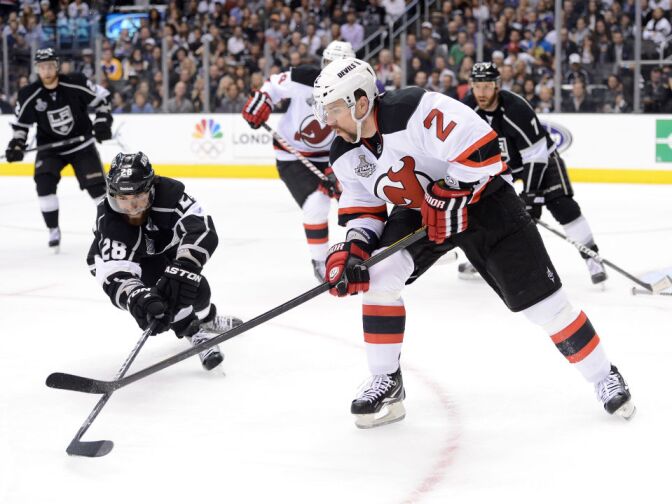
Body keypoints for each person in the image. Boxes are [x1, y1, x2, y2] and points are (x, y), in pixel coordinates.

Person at [312, 58, 635, 429]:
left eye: (334, 109)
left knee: (545, 307)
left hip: (482, 202)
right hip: (422, 212)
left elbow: (484, 150)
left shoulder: (414, 109)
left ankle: (603, 375)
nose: (327, 120)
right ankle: (387, 379)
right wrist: (355, 249)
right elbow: (364, 209)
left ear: (360, 101)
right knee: (379, 276)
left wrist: (451, 192)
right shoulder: (344, 152)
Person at [86, 152, 242, 371]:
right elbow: (115, 271)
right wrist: (137, 298)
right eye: (123, 199)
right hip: (131, 261)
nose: (132, 207)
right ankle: (194, 331)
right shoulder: (110, 221)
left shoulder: (170, 196)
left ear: (152, 188)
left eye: (138, 197)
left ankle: (207, 318)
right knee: (164, 299)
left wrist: (185, 267)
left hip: (164, 248)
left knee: (198, 289)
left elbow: (201, 229)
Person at [459, 63, 607, 285]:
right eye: (477, 87)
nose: (481, 93)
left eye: (487, 86)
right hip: (502, 168)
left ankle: (592, 259)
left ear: (497, 86)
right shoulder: (467, 109)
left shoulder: (516, 108)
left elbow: (535, 155)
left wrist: (531, 194)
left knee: (563, 206)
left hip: (542, 161)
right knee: (488, 211)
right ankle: (489, 260)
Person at [241, 40, 355, 281]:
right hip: (293, 155)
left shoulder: (358, 88)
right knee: (317, 204)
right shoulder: (303, 78)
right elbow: (273, 85)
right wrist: (263, 99)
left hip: (337, 153)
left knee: (355, 201)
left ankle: (364, 252)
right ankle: (320, 261)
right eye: (329, 65)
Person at [5, 47, 112, 251]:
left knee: (98, 189)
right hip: (49, 148)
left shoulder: (76, 82)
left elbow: (103, 100)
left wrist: (102, 123)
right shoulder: (29, 94)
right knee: (44, 185)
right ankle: (53, 229)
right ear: (37, 69)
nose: (46, 70)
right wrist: (17, 145)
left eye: (50, 66)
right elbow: (21, 126)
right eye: (42, 66)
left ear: (56, 66)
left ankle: (113, 228)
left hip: (82, 145)